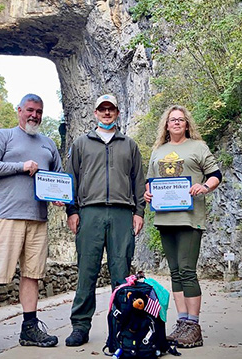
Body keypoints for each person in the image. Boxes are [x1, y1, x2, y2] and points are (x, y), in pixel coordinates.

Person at [0, 93, 63, 354]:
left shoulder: (48, 144)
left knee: (32, 275)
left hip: (38, 220)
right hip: (6, 216)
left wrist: (59, 198)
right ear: (19, 110)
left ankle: (30, 328)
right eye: (30, 110)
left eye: (39, 111)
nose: (34, 115)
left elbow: (57, 177)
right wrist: (21, 166)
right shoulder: (4, 136)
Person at [65, 94, 146, 347]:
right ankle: (80, 326)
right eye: (102, 109)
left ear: (118, 113)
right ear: (95, 113)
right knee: (86, 271)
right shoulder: (80, 144)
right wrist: (72, 211)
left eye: (111, 109)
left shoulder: (129, 145)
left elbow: (138, 181)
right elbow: (71, 180)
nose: (107, 113)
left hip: (123, 213)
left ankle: (122, 327)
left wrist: (139, 212)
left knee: (121, 273)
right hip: (90, 213)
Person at [144, 105, 222, 349]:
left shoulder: (198, 147)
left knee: (187, 270)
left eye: (180, 120)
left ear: (187, 124)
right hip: (165, 218)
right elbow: (150, 182)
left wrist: (205, 187)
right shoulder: (158, 150)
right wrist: (148, 193)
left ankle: (194, 326)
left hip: (190, 218)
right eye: (172, 120)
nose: (176, 123)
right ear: (166, 125)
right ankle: (182, 322)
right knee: (175, 271)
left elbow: (215, 173)